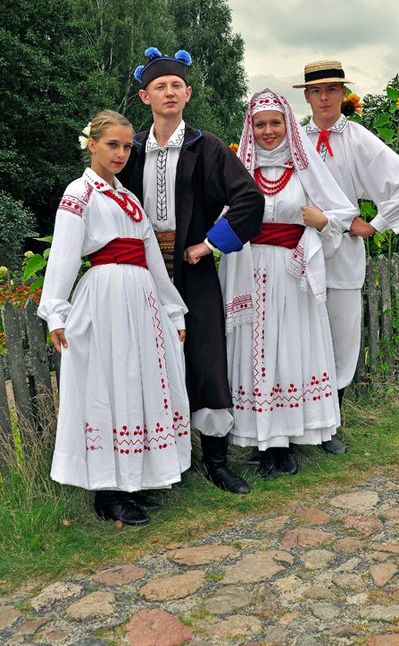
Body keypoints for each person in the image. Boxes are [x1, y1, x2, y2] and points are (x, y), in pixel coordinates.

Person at [119, 47, 264, 494]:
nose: (168, 93)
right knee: (148, 360)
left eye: (175, 86)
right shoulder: (132, 149)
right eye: (159, 86)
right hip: (143, 271)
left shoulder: (207, 147)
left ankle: (216, 462)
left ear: (188, 94)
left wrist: (208, 244)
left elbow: (248, 199)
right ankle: (158, 462)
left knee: (204, 357)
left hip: (191, 268)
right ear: (145, 97)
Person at [38, 110, 191, 526]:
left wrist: (172, 307)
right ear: (92, 144)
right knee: (108, 385)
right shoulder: (79, 194)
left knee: (138, 383)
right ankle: (108, 493)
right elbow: (66, 256)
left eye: (127, 146)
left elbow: (152, 261)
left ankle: (135, 482)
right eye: (113, 145)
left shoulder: (130, 198)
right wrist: (55, 311)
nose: (122, 153)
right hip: (105, 301)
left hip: (140, 301)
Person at [219, 89, 358, 478]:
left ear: (288, 125)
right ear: (251, 127)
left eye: (275, 123)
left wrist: (319, 222)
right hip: (251, 270)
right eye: (260, 124)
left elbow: (341, 212)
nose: (268, 131)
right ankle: (266, 444)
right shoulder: (241, 172)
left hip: (293, 275)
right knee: (257, 351)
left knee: (290, 351)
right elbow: (224, 217)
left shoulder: (305, 170)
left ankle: (289, 440)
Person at [294, 60, 399, 454]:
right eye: (316, 91)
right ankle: (298, 423)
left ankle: (331, 423)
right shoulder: (296, 140)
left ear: (342, 94)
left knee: (342, 337)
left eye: (332, 90)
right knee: (300, 335)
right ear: (306, 95)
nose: (324, 98)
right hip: (301, 252)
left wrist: (375, 224)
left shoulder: (357, 139)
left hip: (344, 254)